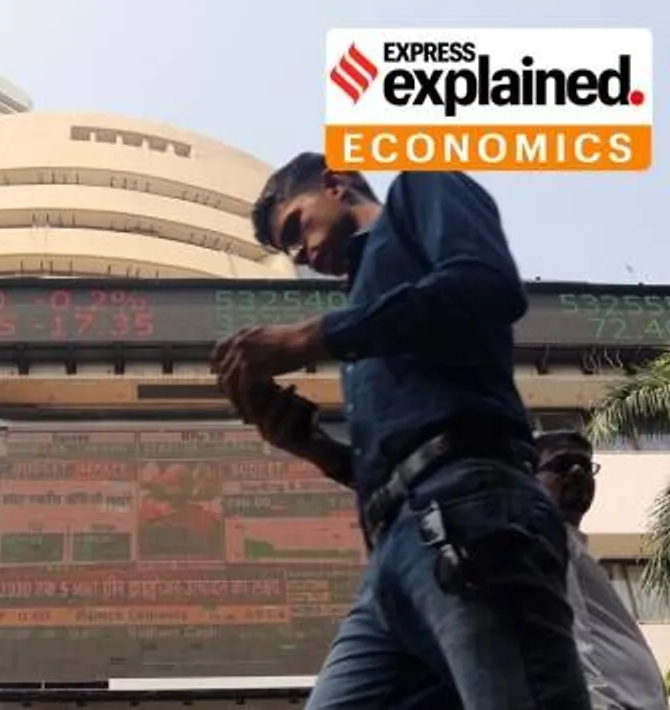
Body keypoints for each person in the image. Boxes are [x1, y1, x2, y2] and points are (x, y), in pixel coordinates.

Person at [212, 152, 589, 709]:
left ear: (335, 184)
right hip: (393, 555)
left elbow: (484, 284)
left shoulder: (422, 188)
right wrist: (311, 447)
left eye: (297, 227)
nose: (305, 255)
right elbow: (396, 466)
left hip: (469, 513)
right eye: (290, 250)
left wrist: (307, 339)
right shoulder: (364, 313)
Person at [534, 430, 669, 710]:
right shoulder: (548, 539)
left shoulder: (574, 547)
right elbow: (572, 636)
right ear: (531, 479)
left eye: (585, 466)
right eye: (563, 464)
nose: (577, 473)